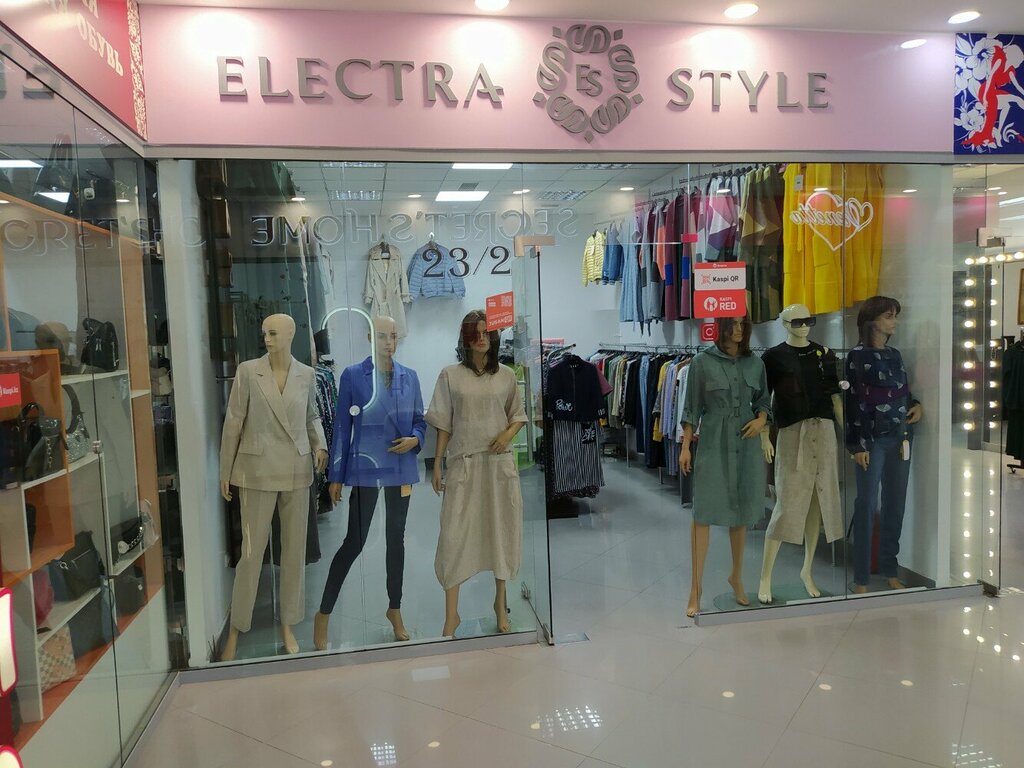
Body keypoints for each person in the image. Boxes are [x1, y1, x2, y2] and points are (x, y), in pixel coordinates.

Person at [314, 316, 426, 649]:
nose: (389, 342)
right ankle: (323, 613)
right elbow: (343, 429)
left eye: (393, 336)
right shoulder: (353, 375)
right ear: (369, 338)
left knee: (396, 540)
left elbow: (420, 421)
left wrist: (415, 439)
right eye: (382, 336)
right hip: (366, 466)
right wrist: (336, 475)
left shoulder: (410, 377)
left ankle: (395, 609)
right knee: (355, 541)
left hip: (400, 467)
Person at [427, 310, 527, 638]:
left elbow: (518, 415)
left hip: (498, 465)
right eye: (476, 333)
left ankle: (500, 602)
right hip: (464, 464)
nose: (482, 338)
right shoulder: (450, 375)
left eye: (487, 333)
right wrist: (438, 463)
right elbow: (444, 423)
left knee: (501, 531)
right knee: (454, 536)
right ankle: (451, 615)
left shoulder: (506, 376)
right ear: (466, 338)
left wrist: (507, 435)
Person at [679, 315, 771, 618]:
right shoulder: (701, 363)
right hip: (713, 442)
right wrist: (685, 447)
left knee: (741, 512)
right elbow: (691, 408)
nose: (739, 330)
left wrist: (761, 419)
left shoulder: (755, 364)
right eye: (733, 324)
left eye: (743, 324)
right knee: (703, 512)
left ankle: (737, 577)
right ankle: (696, 588)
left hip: (746, 441)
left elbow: (763, 401)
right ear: (721, 327)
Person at [846, 296, 923, 593]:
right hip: (871, 440)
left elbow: (901, 389)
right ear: (873, 321)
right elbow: (852, 402)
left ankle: (890, 568)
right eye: (889, 316)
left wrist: (916, 405)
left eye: (895, 316)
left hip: (900, 435)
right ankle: (861, 577)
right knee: (866, 504)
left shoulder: (895, 354)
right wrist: (857, 446)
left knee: (896, 503)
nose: (894, 322)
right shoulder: (856, 357)